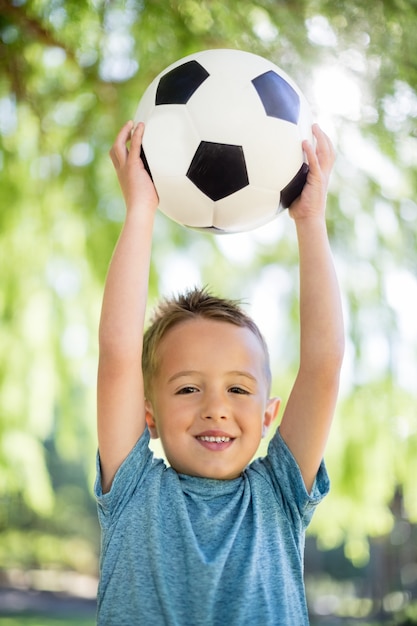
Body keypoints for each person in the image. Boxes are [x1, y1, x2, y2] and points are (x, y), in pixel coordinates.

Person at [95, 120, 344, 626]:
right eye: (188, 388)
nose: (216, 408)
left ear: (270, 413)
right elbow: (118, 354)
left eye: (237, 388)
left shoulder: (279, 493)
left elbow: (323, 363)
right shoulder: (135, 490)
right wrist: (140, 211)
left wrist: (311, 220)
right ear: (149, 414)